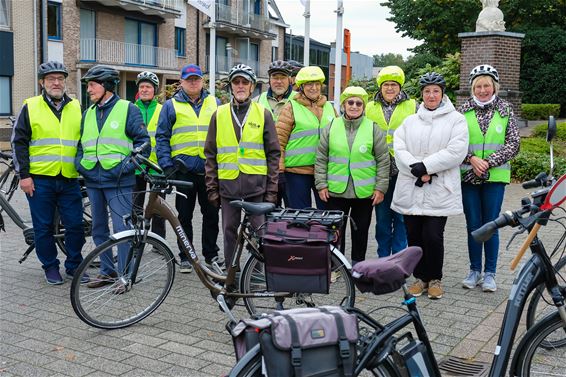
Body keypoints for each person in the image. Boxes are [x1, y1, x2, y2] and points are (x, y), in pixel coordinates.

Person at [391, 72, 468, 299]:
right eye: (427, 91)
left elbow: (456, 151)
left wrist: (425, 167)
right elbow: (400, 148)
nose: (431, 95)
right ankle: (419, 278)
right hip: (412, 187)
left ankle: (435, 278)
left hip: (439, 189)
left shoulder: (456, 120)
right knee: (414, 235)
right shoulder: (410, 121)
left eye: (436, 91)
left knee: (433, 236)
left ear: (443, 93)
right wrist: (414, 167)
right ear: (422, 95)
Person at [11, 61, 85, 285]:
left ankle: (74, 265)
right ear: (42, 83)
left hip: (70, 178)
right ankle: (50, 267)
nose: (56, 82)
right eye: (51, 79)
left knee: (75, 225)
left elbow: (83, 141)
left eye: (60, 78)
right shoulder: (30, 106)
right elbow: (19, 143)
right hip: (39, 180)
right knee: (43, 227)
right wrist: (24, 175)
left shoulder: (76, 107)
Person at [76, 65, 149, 289]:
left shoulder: (128, 109)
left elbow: (144, 145)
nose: (88, 90)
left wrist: (123, 169)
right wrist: (80, 165)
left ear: (107, 85)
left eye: (92, 85)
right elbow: (81, 146)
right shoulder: (87, 113)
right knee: (98, 229)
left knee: (122, 230)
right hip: (93, 181)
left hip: (119, 181)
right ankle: (107, 272)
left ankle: (125, 276)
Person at [204, 64, 280, 265]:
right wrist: (212, 188)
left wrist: (272, 190)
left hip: (256, 188)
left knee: (260, 234)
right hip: (228, 188)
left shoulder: (263, 113)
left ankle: (258, 273)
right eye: (236, 82)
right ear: (230, 86)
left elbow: (274, 154)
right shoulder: (218, 114)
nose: (240, 86)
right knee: (229, 233)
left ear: (252, 86)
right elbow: (210, 154)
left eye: (244, 82)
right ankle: (232, 272)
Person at [459, 64, 520, 292]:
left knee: (491, 224)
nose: (483, 90)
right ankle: (474, 270)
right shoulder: (462, 111)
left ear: (494, 87)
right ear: (472, 88)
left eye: (487, 86)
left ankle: (490, 274)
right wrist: (472, 159)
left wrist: (488, 162)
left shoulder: (505, 109)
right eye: (478, 86)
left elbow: (514, 144)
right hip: (468, 176)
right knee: (473, 225)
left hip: (495, 177)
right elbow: (454, 144)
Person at [155, 64, 222, 273]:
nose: (193, 82)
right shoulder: (171, 105)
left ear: (202, 81)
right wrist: (166, 165)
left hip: (210, 170)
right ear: (181, 82)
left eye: (196, 79)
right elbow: (162, 137)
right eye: (189, 79)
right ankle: (186, 255)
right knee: (183, 217)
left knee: (211, 214)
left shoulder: (216, 103)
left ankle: (211, 255)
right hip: (182, 171)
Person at [315, 86, 390, 265]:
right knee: (335, 231)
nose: (354, 106)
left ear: (363, 107)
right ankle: (335, 265)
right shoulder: (331, 126)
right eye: (350, 102)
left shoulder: (373, 128)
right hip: (335, 191)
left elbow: (383, 160)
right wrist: (321, 184)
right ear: (343, 105)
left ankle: (358, 265)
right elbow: (321, 158)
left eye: (358, 103)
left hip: (363, 192)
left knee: (361, 230)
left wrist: (380, 188)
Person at [366, 66, 417, 258]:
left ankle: (398, 260)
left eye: (393, 85)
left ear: (400, 86)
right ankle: (383, 258)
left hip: (405, 171)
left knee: (402, 219)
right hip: (380, 172)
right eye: (386, 84)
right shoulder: (369, 107)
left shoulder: (413, 106)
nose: (389, 88)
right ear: (380, 86)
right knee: (383, 219)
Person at [276, 66, 337, 209]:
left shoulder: (329, 108)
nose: (314, 88)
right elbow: (279, 141)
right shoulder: (291, 107)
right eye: (309, 84)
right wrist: (280, 170)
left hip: (323, 171)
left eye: (317, 84)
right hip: (296, 172)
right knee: (300, 217)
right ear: (302, 87)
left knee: (326, 215)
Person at [254, 60, 295, 207]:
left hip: (292, 169)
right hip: (266, 169)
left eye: (282, 78)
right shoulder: (257, 101)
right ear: (269, 80)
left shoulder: (299, 100)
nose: (279, 81)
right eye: (275, 77)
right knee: (269, 214)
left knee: (293, 216)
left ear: (290, 80)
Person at [132, 71, 166, 241]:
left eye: (148, 87)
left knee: (158, 207)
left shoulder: (163, 109)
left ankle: (158, 241)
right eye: (142, 87)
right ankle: (135, 237)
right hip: (136, 167)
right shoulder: (131, 109)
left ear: (155, 90)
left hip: (157, 167)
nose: (144, 89)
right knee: (135, 206)